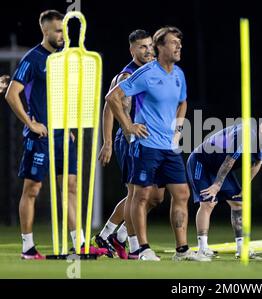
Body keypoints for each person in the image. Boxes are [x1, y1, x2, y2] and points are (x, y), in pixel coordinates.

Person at [4, 10, 106, 259]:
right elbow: (11, 94)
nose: (62, 35)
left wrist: (69, 126)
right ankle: (28, 248)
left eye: (64, 30)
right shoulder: (33, 58)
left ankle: (79, 243)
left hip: (63, 137)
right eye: (58, 30)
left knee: (71, 187)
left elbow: (62, 96)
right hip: (40, 139)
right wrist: (31, 123)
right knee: (33, 189)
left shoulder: (65, 58)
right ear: (45, 31)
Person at [106, 26, 208, 261]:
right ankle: (141, 248)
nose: (179, 46)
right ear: (159, 47)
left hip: (169, 147)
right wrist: (128, 126)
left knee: (181, 193)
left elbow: (183, 102)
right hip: (145, 145)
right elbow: (112, 97)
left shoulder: (179, 74)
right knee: (141, 196)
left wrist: (178, 129)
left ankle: (182, 250)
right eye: (173, 42)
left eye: (180, 43)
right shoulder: (147, 72)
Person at [94, 29, 165, 259]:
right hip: (130, 141)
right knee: (138, 194)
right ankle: (132, 245)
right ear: (132, 49)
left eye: (149, 46)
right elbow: (109, 107)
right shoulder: (126, 76)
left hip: (151, 141)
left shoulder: (154, 70)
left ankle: (117, 235)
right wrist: (108, 142)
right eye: (142, 47)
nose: (147, 50)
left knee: (156, 197)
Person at [187, 114, 262, 258]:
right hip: (202, 161)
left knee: (239, 203)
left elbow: (257, 163)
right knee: (208, 203)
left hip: (220, 167)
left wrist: (246, 186)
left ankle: (241, 248)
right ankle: (203, 248)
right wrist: (216, 185)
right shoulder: (246, 135)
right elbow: (229, 161)